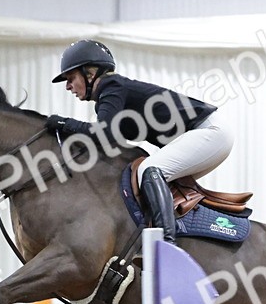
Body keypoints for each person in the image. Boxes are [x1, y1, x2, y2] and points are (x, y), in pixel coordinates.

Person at [45, 39, 233, 242]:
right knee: (147, 181)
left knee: (149, 170)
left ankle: (166, 244)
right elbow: (109, 141)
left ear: (90, 73)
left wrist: (64, 123)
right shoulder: (111, 94)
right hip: (206, 134)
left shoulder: (112, 87)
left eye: (71, 78)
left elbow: (103, 133)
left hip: (210, 132)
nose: (68, 86)